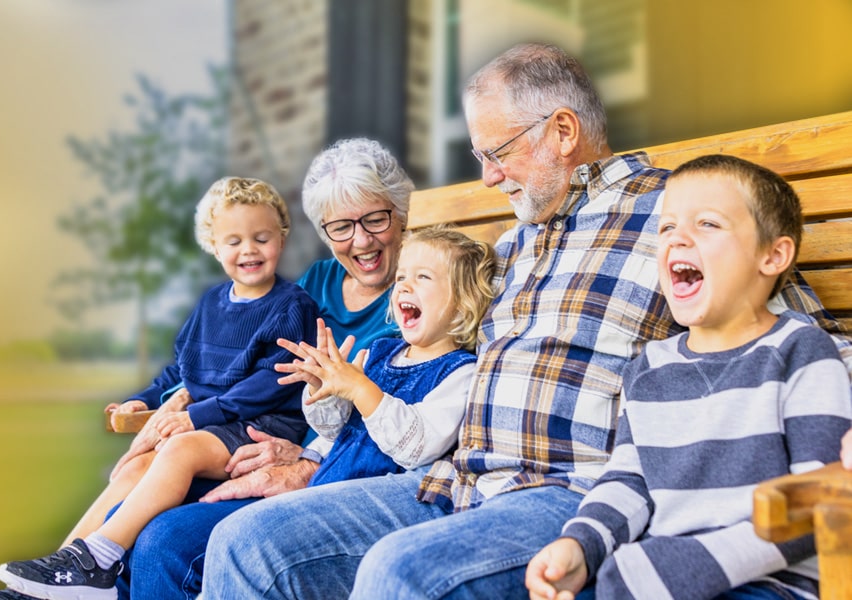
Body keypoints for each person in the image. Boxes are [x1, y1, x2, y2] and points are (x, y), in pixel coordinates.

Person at [200, 43, 851, 600]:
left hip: (571, 494)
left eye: (497, 153)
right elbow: (428, 359)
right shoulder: (513, 243)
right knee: (245, 544)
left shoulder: (674, 213)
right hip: (453, 480)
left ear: (562, 132)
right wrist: (313, 449)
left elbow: (804, 340)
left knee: (401, 575)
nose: (486, 178)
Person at [525, 154, 852, 599]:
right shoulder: (649, 368)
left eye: (708, 224)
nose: (678, 239)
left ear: (773, 255)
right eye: (666, 227)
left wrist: (691, 564)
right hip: (664, 573)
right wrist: (579, 546)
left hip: (771, 582)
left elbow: (820, 501)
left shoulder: (800, 350)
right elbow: (629, 482)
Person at [105, 138, 418, 600]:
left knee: (164, 542)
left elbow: (412, 414)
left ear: (401, 214)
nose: (361, 240)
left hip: (332, 473)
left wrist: (305, 459)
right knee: (125, 516)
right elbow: (236, 367)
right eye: (340, 227)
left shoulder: (419, 297)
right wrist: (174, 400)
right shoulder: (313, 286)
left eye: (375, 218)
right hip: (246, 445)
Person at [0, 176, 320, 600]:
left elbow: (274, 382)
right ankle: (59, 574)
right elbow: (182, 369)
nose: (249, 250)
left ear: (282, 238)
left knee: (177, 449)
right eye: (233, 240)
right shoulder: (210, 304)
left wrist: (195, 415)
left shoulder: (293, 305)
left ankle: (100, 559)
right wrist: (142, 400)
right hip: (211, 427)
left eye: (261, 237)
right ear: (213, 246)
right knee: (133, 468)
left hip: (261, 427)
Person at [277, 226, 494, 488]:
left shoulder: (460, 373)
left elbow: (417, 447)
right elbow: (334, 429)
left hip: (376, 499)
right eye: (401, 276)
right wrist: (323, 388)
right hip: (326, 487)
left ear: (461, 305)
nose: (404, 285)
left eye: (423, 277)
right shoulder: (381, 352)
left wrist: (360, 389)